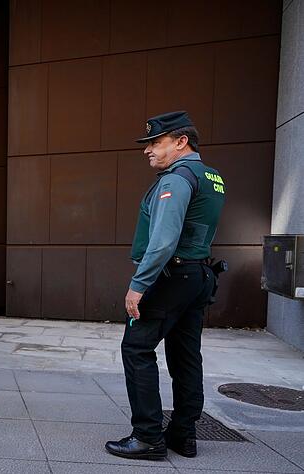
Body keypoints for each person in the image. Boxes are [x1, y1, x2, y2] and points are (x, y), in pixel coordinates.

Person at [105, 111, 225, 460]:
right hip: (198, 275)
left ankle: (147, 437)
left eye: (155, 143)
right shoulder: (211, 176)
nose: (148, 151)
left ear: (180, 141)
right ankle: (183, 435)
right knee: (186, 356)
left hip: (170, 277)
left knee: (137, 348)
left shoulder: (175, 180)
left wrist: (138, 284)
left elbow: (163, 241)